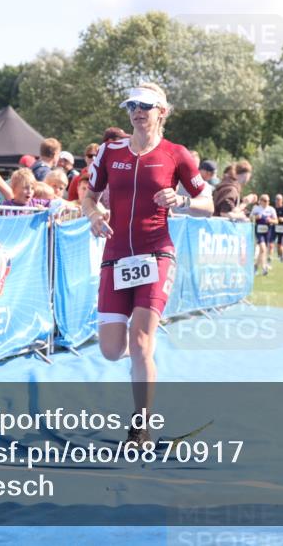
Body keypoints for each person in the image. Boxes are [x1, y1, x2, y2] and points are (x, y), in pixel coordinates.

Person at [81, 82, 212, 447]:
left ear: (162, 112)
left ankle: (140, 426)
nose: (138, 111)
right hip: (116, 256)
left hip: (157, 254)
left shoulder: (177, 154)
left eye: (146, 106)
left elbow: (209, 204)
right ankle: (142, 355)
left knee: (140, 342)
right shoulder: (110, 152)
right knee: (110, 350)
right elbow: (88, 197)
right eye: (132, 105)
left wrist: (182, 200)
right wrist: (93, 215)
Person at [251, 194, 277, 274]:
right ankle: (264, 268)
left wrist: (271, 220)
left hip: (267, 231)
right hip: (259, 231)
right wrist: (256, 217)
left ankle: (255, 266)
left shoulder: (271, 209)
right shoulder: (256, 208)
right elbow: (250, 218)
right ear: (261, 201)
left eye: (268, 201)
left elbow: (276, 221)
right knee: (263, 248)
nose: (267, 202)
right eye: (265, 201)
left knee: (263, 250)